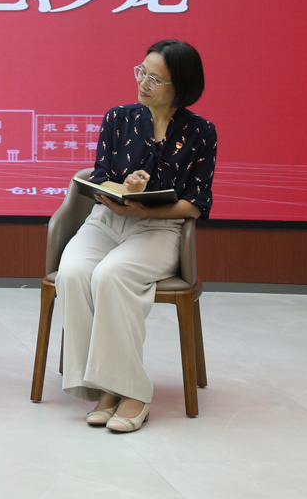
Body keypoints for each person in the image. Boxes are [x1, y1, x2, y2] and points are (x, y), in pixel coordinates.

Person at [56, 39, 214, 433]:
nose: (143, 82)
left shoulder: (201, 132)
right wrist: (124, 189)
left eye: (155, 79)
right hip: (107, 221)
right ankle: (103, 387)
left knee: (111, 275)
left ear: (181, 87)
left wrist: (146, 208)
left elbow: (196, 203)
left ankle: (133, 393)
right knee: (72, 273)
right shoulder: (118, 118)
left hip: (160, 229)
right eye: (142, 72)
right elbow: (99, 178)